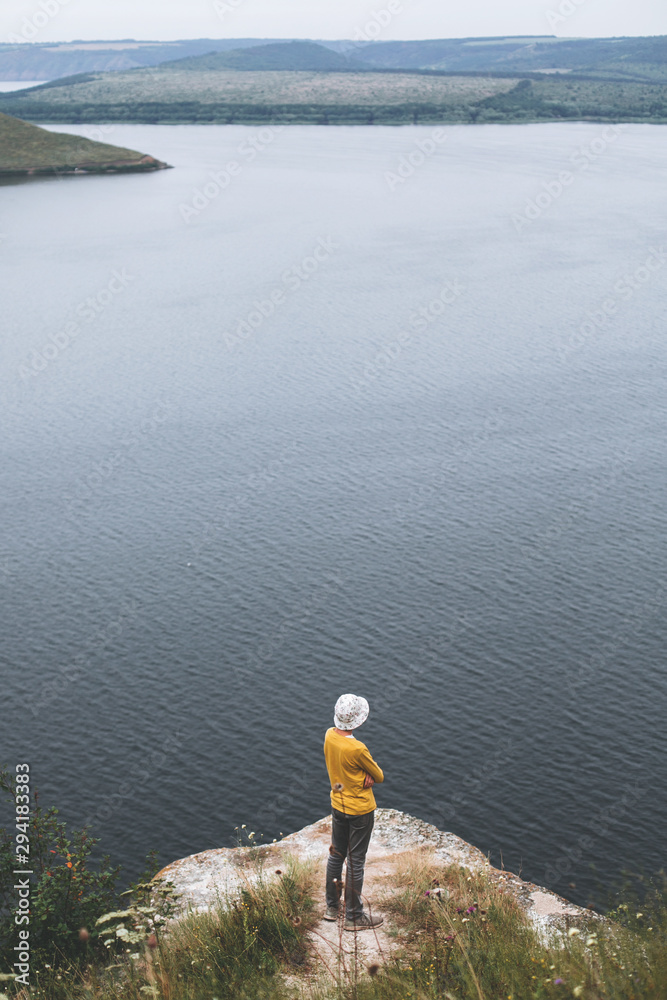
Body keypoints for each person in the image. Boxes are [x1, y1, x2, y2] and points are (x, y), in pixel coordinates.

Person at [322, 693, 384, 930]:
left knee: (336, 855)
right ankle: (354, 917)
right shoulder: (358, 748)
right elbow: (379, 775)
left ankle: (331, 907)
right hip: (359, 809)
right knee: (355, 861)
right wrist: (365, 775)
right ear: (357, 721)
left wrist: (358, 774)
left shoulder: (329, 735)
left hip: (338, 805)